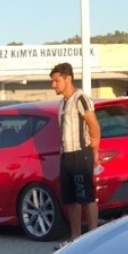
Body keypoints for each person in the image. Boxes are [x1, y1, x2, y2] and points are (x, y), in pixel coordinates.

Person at [50, 62, 101, 243]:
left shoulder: (81, 99)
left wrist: (94, 150)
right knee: (71, 198)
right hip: (67, 154)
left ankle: (94, 237)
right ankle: (75, 237)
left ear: (68, 78)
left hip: (81, 153)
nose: (53, 85)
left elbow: (93, 125)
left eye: (56, 81)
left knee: (86, 195)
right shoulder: (62, 104)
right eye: (52, 81)